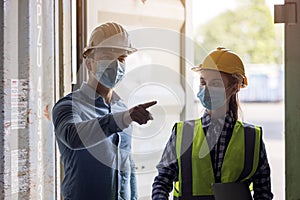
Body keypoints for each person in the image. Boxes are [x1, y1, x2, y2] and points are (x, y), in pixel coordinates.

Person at [52, 22, 157, 200]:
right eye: (108, 56)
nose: (116, 64)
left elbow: (127, 166)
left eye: (122, 58)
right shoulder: (68, 106)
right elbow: (73, 136)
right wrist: (122, 119)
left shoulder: (121, 108)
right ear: (89, 64)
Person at [152, 47, 273, 199]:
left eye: (215, 83)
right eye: (203, 82)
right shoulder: (182, 133)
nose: (207, 89)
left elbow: (263, 192)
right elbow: (162, 182)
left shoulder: (252, 138)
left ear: (234, 87)